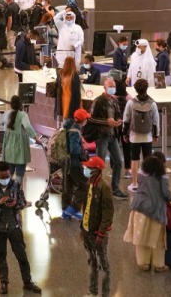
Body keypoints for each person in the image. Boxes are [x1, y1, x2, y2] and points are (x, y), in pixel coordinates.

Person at [0, 162, 43, 294]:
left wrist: (16, 204)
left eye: (7, 176)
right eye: (2, 176)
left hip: (14, 225)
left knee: (21, 255)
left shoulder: (16, 185)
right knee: (1, 256)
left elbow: (22, 202)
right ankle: (4, 283)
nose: (5, 179)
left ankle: (27, 281)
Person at [124, 153, 171, 272]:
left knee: (141, 237)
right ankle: (159, 265)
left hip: (139, 208)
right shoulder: (162, 176)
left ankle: (144, 263)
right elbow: (166, 193)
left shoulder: (141, 173)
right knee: (157, 239)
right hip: (155, 210)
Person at [84, 76, 127, 199]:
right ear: (104, 87)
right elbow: (91, 118)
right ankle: (97, 187)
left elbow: (118, 115)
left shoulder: (114, 101)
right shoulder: (98, 101)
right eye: (110, 87)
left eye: (114, 86)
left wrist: (118, 121)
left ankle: (115, 188)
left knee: (118, 162)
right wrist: (106, 122)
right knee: (99, 163)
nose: (112, 89)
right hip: (101, 136)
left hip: (113, 136)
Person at [80, 155, 114, 297]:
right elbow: (86, 208)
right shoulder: (89, 184)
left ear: (96, 170)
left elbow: (108, 213)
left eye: (88, 167)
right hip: (87, 232)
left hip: (98, 234)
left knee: (104, 266)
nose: (85, 169)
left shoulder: (104, 188)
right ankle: (93, 291)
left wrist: (101, 233)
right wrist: (82, 228)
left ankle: (105, 294)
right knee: (92, 263)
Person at [123, 78, 159, 189]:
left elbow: (126, 119)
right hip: (147, 135)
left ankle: (134, 183)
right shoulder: (152, 103)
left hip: (134, 136)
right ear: (146, 88)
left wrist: (125, 134)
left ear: (136, 89)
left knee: (134, 160)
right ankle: (147, 184)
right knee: (147, 160)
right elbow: (156, 120)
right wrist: (156, 134)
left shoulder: (131, 102)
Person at [1, 96, 37, 184]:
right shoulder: (23, 115)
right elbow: (28, 127)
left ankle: (7, 192)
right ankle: (16, 194)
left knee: (9, 173)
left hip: (9, 149)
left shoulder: (7, 114)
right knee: (19, 175)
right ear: (21, 105)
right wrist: (36, 137)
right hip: (20, 150)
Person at [54, 57, 83, 122]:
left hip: (61, 99)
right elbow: (77, 92)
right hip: (71, 100)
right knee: (70, 119)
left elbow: (56, 85)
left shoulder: (60, 73)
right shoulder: (74, 75)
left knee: (64, 119)